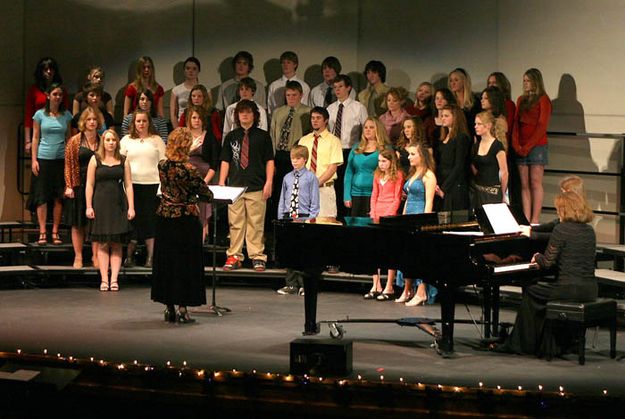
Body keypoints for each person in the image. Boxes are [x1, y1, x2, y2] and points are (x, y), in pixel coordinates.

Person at [494, 191, 596, 357]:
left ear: (564, 210)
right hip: (590, 289)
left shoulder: (561, 229)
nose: (557, 213)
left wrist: (536, 257)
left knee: (532, 292)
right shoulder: (589, 231)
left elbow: (547, 262)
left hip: (568, 289)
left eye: (558, 210)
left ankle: (521, 344)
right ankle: (553, 343)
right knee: (540, 292)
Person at [152, 128, 213, 323]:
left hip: (165, 218)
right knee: (185, 264)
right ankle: (182, 309)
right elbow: (205, 193)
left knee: (168, 263)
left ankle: (169, 307)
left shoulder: (162, 166)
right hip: (185, 220)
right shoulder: (189, 169)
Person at [219, 99, 275, 272]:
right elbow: (225, 161)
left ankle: (257, 256)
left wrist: (269, 182)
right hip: (235, 187)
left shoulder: (263, 136)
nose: (244, 115)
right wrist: (222, 182)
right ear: (237, 115)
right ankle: (234, 255)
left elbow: (269, 161)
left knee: (256, 223)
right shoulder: (231, 136)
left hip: (256, 186)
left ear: (254, 115)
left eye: (248, 112)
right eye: (241, 112)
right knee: (235, 223)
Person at [86, 129, 134, 292]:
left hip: (118, 204)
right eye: (107, 140)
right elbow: (89, 184)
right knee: (103, 243)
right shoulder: (95, 159)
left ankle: (114, 279)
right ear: (103, 142)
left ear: (117, 142)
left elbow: (128, 184)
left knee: (117, 243)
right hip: (100, 204)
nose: (111, 142)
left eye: (113, 140)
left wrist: (131, 207)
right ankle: (104, 279)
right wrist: (88, 206)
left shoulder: (123, 160)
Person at [120, 109, 166, 268]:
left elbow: (163, 164)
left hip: (152, 186)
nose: (141, 124)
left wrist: (162, 186)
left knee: (150, 222)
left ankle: (150, 258)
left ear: (149, 122)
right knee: (132, 221)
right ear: (133, 123)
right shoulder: (126, 140)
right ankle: (129, 257)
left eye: (144, 121)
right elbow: (119, 162)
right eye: (138, 121)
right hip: (131, 186)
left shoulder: (157, 140)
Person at [28, 83, 72, 245]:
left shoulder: (66, 115)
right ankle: (42, 231)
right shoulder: (39, 115)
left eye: (60, 94)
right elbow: (35, 138)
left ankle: (55, 231)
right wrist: (34, 160)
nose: (58, 97)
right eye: (55, 94)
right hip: (43, 158)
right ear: (48, 95)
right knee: (42, 196)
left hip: (60, 160)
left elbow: (69, 139)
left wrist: (69, 161)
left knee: (58, 196)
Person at [395, 142, 437, 306]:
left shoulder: (428, 176)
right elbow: (408, 199)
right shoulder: (413, 174)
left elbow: (429, 202)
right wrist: (403, 218)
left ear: (422, 156)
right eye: (409, 154)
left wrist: (424, 224)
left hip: (420, 216)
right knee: (408, 254)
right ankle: (407, 290)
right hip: (409, 216)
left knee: (420, 255)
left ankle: (421, 292)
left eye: (413, 154)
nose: (410, 157)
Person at [276, 145, 320, 296]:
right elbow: (283, 198)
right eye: (292, 158)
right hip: (289, 217)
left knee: (302, 253)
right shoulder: (287, 177)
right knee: (289, 252)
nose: (294, 161)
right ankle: (290, 284)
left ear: (305, 159)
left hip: (303, 217)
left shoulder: (311, 178)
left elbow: (314, 201)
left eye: (298, 159)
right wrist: (281, 217)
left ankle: (304, 285)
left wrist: (310, 218)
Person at [512, 68, 552, 224]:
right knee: (524, 184)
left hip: (537, 146)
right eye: (524, 81)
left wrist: (528, 146)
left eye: (528, 80)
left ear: (536, 82)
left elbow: (542, 126)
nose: (526, 83)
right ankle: (526, 218)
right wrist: (516, 144)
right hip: (521, 146)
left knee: (535, 182)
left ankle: (535, 219)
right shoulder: (521, 99)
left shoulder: (543, 99)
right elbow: (516, 124)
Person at [270, 81, 312, 225]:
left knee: (295, 191)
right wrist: (272, 159)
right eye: (288, 95)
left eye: (294, 95)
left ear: (301, 95)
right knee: (278, 191)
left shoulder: (307, 112)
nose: (291, 98)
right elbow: (272, 135)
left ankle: (295, 221)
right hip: (280, 155)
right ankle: (278, 221)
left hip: (296, 156)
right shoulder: (278, 112)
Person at [64, 107, 101, 268]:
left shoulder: (103, 140)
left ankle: (96, 256)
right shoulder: (74, 141)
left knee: (96, 223)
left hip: (98, 185)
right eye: (89, 119)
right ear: (83, 122)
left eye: (94, 119)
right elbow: (68, 165)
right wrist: (69, 185)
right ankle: (78, 256)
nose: (92, 122)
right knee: (78, 222)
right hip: (79, 184)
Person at [365, 149, 404, 301]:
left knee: (389, 250)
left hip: (389, 214)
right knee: (375, 250)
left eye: (384, 161)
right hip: (377, 212)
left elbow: (397, 198)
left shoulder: (398, 175)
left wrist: (388, 215)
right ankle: (376, 285)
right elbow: (374, 195)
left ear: (391, 162)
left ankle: (389, 286)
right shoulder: (377, 175)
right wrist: (374, 212)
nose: (381, 164)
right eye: (379, 161)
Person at [328, 74, 368, 217]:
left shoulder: (358, 108)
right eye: (335, 87)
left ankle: (348, 217)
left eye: (340, 87)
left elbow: (366, 130)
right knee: (335, 186)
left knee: (348, 185)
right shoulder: (330, 109)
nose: (337, 90)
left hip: (351, 150)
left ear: (348, 88)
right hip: (334, 152)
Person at [297, 107, 343, 218]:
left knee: (326, 224)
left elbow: (332, 168)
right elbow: (298, 165)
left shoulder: (334, 141)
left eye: (318, 118)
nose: (315, 121)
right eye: (312, 118)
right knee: (305, 224)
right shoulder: (304, 140)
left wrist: (315, 183)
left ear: (326, 120)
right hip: (305, 189)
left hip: (324, 190)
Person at [186, 105, 220, 242]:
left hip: (204, 179)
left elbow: (214, 164)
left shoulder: (210, 137)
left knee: (202, 210)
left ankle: (201, 241)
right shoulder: (183, 136)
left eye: (199, 118)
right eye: (194, 117)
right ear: (189, 119)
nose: (197, 120)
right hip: (185, 180)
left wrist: (204, 182)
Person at [343, 117, 388, 217]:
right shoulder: (356, 147)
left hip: (376, 195)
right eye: (365, 127)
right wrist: (346, 195)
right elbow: (349, 172)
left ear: (378, 129)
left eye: (371, 127)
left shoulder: (385, 148)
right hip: (356, 194)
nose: (367, 130)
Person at [520, 175, 585, 240]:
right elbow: (552, 225)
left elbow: (559, 236)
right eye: (562, 191)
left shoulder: (576, 215)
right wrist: (530, 228)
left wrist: (532, 234)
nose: (562, 194)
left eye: (564, 192)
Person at [24, 57, 67, 154]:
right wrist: (28, 141)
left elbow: (66, 113)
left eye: (51, 69)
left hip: (58, 128)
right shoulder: (34, 90)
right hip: (39, 130)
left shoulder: (61, 90)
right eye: (45, 69)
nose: (49, 72)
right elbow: (28, 115)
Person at [434, 105, 470, 211]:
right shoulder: (443, 136)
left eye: (446, 116)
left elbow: (459, 166)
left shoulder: (461, 137)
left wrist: (444, 188)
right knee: (442, 222)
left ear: (455, 117)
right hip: (442, 184)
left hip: (455, 187)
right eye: (442, 116)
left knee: (457, 221)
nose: (443, 118)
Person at [471, 111, 508, 211]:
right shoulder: (476, 146)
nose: (475, 126)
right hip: (478, 191)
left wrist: (503, 194)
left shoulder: (497, 145)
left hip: (493, 192)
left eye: (479, 124)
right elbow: (473, 166)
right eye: (475, 124)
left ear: (488, 126)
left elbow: (504, 172)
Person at [169, 57, 201, 128]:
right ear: (184, 70)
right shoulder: (176, 90)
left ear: (198, 71)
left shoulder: (205, 90)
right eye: (188, 68)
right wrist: (178, 131)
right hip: (182, 126)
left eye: (194, 69)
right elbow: (173, 115)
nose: (191, 71)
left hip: (199, 126)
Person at [448, 68, 480, 137]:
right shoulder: (450, 102)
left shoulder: (475, 101)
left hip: (471, 136)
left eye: (456, 80)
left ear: (463, 81)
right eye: (451, 81)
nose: (453, 83)